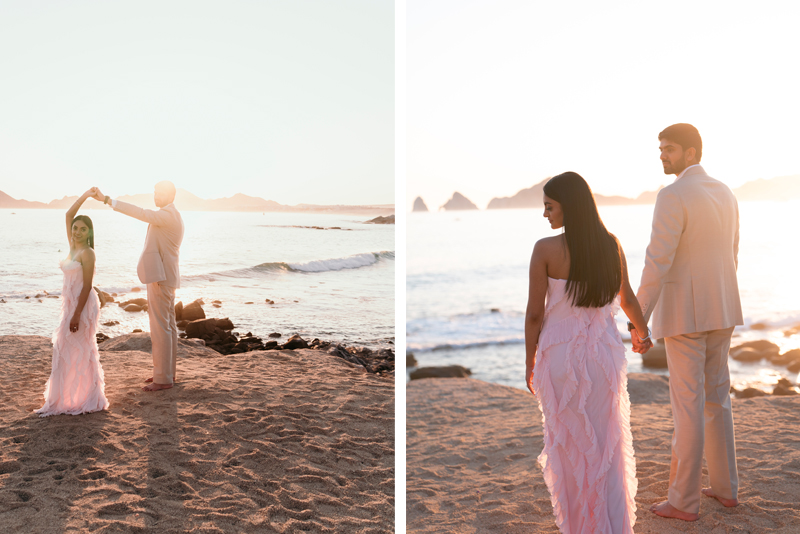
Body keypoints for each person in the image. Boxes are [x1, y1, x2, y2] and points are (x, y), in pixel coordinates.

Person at [525, 171, 651, 534]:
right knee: (607, 448)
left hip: (561, 358)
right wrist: (643, 334)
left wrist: (529, 361)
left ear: (569, 206)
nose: (545, 214)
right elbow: (626, 297)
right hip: (604, 357)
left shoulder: (545, 250)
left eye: (549, 206)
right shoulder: (610, 244)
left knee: (570, 449)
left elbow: (535, 314)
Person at [634, 123, 742, 521]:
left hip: (685, 316)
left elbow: (656, 261)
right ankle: (727, 490)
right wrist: (723, 299)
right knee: (717, 399)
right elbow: (733, 255)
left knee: (688, 407)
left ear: (692, 153)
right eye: (661, 148)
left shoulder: (672, 194)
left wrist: (638, 319)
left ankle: (683, 501)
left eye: (670, 149)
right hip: (723, 308)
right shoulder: (725, 193)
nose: (663, 154)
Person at [92, 182, 184, 392]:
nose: (155, 196)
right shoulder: (173, 215)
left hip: (161, 277)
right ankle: (167, 374)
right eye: (155, 192)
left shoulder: (167, 215)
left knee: (161, 328)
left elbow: (140, 213)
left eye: (159, 193)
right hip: (167, 277)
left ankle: (163, 379)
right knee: (168, 327)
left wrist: (107, 200)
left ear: (170, 195)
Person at [36, 188, 110, 417]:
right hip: (70, 304)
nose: (77, 231)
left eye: (82, 229)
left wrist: (77, 314)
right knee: (65, 349)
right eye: (75, 228)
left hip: (83, 305)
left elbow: (87, 286)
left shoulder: (87, 253)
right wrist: (86, 195)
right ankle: (66, 398)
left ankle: (88, 397)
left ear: (90, 233)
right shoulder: (73, 246)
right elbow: (69, 214)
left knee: (82, 349)